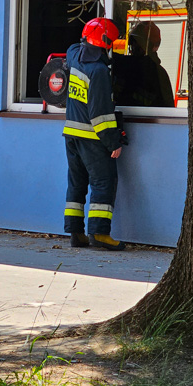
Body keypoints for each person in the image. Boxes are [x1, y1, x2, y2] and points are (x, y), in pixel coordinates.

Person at [63, 17, 125, 251]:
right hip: (92, 136)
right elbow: (100, 114)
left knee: (76, 183)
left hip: (71, 134)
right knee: (103, 182)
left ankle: (76, 233)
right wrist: (113, 142)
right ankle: (99, 234)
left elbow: (73, 47)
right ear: (106, 42)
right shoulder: (98, 71)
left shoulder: (74, 56)